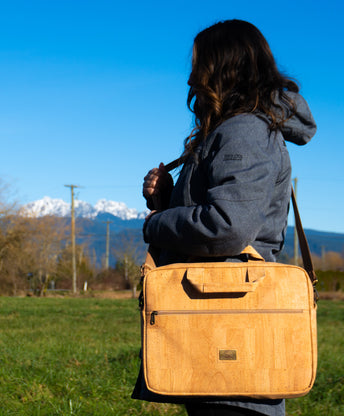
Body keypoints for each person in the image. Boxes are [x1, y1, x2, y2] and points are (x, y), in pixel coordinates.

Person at [132, 19, 316, 416]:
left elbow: (226, 227)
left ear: (224, 67)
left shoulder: (244, 131)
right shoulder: (235, 130)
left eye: (199, 66)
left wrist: (153, 225)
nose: (191, 81)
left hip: (229, 318)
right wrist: (164, 202)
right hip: (217, 318)